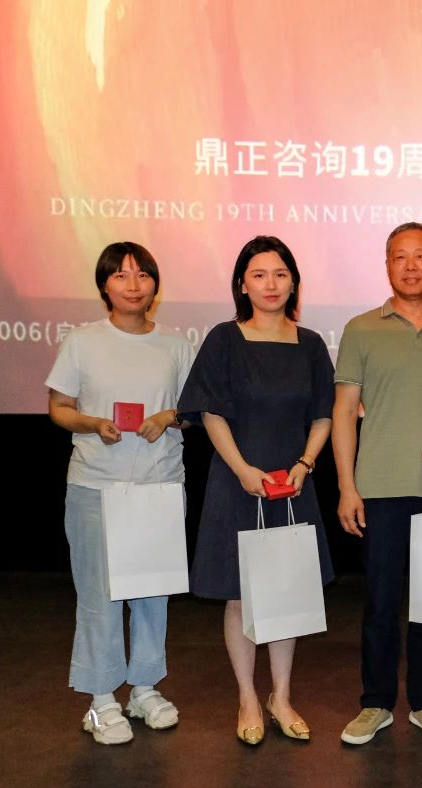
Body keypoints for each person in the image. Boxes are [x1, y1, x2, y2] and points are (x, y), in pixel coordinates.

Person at [176, 235, 334, 744]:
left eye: (281, 274)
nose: (271, 284)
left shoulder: (310, 344)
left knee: (287, 593)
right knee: (240, 595)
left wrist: (304, 465)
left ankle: (280, 697)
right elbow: (210, 412)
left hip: (293, 485)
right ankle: (247, 696)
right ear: (242, 284)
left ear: (294, 283)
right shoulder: (224, 339)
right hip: (237, 482)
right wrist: (244, 469)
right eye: (259, 274)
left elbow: (324, 415)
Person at [333, 222, 422, 745]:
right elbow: (344, 411)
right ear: (387, 265)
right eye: (400, 256)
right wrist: (347, 486)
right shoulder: (360, 329)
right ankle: (375, 703)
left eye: (421, 257)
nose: (411, 266)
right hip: (378, 487)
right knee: (379, 603)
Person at [46, 242, 193, 745]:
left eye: (143, 275)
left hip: (159, 484)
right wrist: (91, 423)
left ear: (155, 284)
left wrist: (168, 417)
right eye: (121, 275)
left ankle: (145, 688)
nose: (134, 285)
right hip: (96, 485)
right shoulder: (83, 341)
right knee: (99, 595)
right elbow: (59, 407)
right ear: (104, 285)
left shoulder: (176, 344)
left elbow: (195, 410)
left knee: (153, 592)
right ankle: (102, 698)